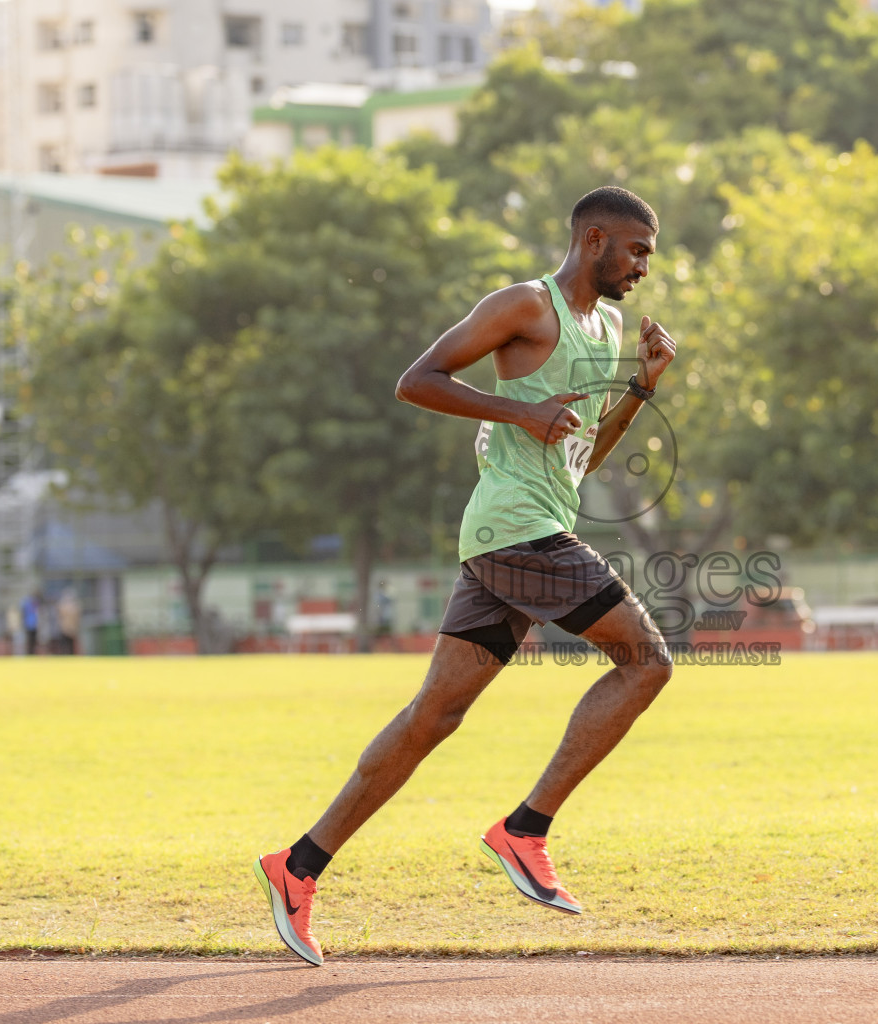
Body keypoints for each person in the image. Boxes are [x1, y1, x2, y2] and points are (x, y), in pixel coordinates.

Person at [253, 186, 678, 967]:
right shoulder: (524, 305)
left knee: (432, 717)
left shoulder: (608, 326)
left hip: (522, 530)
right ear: (593, 240)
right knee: (647, 661)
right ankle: (526, 830)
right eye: (638, 250)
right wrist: (519, 413)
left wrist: (642, 387)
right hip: (516, 532)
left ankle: (297, 867)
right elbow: (415, 381)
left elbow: (579, 458)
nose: (646, 267)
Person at [55, 587, 81, 655]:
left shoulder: (67, 607)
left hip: (68, 629)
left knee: (68, 645)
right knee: (67, 645)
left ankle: (68, 655)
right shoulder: (73, 607)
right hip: (68, 629)